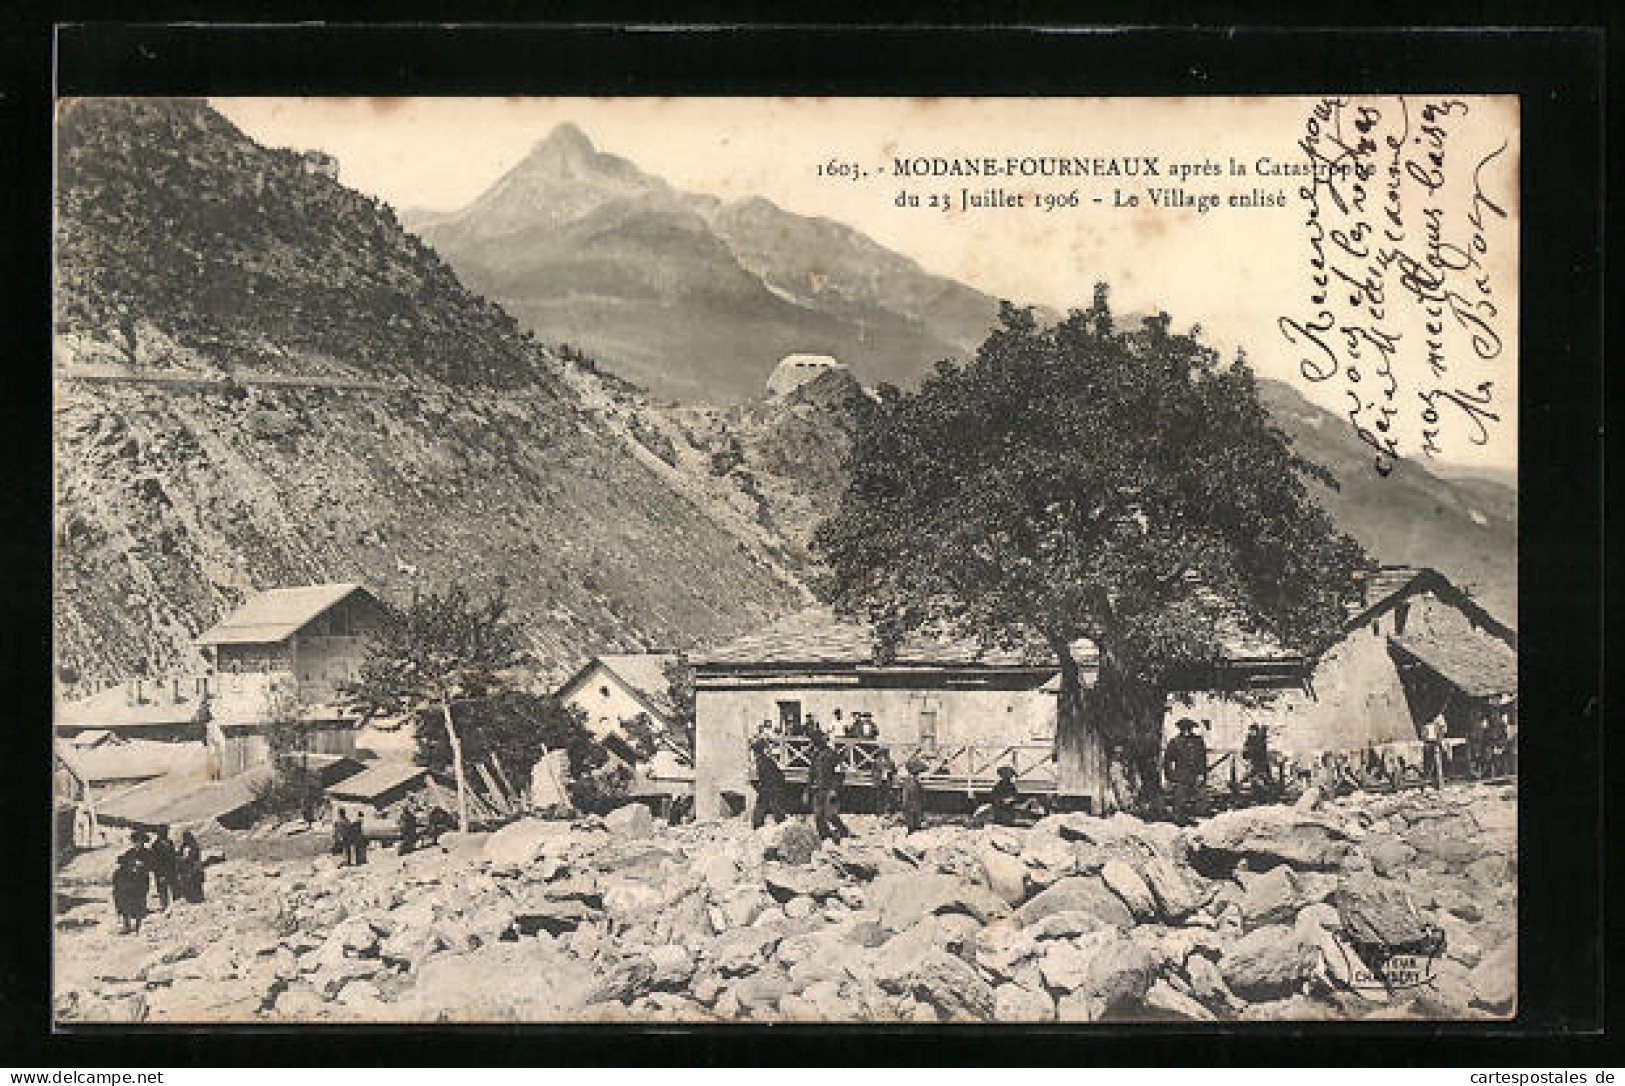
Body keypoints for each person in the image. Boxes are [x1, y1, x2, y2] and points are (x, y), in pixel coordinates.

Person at [1163, 718, 1209, 825]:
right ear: (1180, 729)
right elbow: (1167, 760)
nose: (1187, 731)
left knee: (1201, 797)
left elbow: (1202, 759)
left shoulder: (1198, 741)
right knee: (1180, 798)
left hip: (1196, 774)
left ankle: (1200, 819)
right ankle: (1179, 820)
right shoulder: (1175, 742)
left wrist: (1202, 773)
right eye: (1184, 729)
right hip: (1181, 775)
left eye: (1189, 729)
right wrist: (1170, 776)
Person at [807, 728, 850, 842]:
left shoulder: (832, 755)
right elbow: (811, 774)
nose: (815, 744)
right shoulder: (815, 756)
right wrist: (807, 790)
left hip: (828, 789)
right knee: (818, 816)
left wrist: (834, 789)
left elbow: (840, 773)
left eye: (816, 741)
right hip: (817, 790)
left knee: (830, 815)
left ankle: (843, 832)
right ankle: (825, 837)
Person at [111, 831, 152, 934]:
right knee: (125, 902)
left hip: (140, 882)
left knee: (139, 903)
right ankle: (127, 925)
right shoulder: (130, 852)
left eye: (140, 841)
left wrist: (140, 866)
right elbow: (121, 860)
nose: (138, 843)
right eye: (136, 841)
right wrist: (128, 864)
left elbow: (150, 865)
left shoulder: (147, 853)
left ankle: (138, 926)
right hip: (129, 883)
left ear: (143, 842)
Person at [750, 733, 789, 829]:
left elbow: (775, 776)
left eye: (755, 751)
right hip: (769, 789)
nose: (754, 754)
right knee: (765, 811)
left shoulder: (763, 761)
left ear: (756, 752)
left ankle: (783, 828)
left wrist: (761, 787)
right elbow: (779, 775)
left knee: (774, 811)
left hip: (771, 789)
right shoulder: (765, 760)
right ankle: (759, 828)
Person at [148, 825, 177, 910]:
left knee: (175, 889)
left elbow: (173, 857)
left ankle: (175, 907)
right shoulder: (155, 846)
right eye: (163, 832)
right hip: (161, 872)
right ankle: (164, 907)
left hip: (171, 871)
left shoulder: (170, 843)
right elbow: (155, 861)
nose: (165, 833)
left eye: (166, 832)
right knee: (162, 891)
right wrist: (160, 874)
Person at [1420, 712, 1448, 791]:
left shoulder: (1428, 726)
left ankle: (1433, 782)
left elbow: (1424, 736)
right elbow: (1441, 734)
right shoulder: (1436, 724)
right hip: (1434, 745)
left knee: (1431, 764)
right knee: (1435, 764)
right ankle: (1437, 783)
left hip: (1431, 744)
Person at [177, 829, 205, 903]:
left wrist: (184, 860)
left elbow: (193, 857)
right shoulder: (183, 847)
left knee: (195, 884)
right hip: (186, 869)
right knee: (189, 885)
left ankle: (197, 898)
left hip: (194, 868)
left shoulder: (194, 846)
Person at [1242, 724, 1272, 790]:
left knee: (1262, 776)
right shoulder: (1249, 739)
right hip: (1254, 762)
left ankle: (1265, 787)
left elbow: (1260, 749)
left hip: (1261, 762)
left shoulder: (1260, 739)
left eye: (1253, 731)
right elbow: (1245, 752)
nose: (1251, 732)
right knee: (1253, 776)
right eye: (1250, 730)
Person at [900, 757, 926, 833]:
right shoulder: (909, 781)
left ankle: (915, 825)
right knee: (912, 811)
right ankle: (912, 827)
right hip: (911, 798)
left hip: (914, 798)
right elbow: (906, 793)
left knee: (915, 810)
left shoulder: (912, 780)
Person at [870, 746, 897, 815]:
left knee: (888, 797)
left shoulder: (891, 762)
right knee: (879, 797)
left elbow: (895, 771)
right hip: (879, 781)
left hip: (887, 781)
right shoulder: (876, 761)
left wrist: (890, 771)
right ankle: (879, 812)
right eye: (884, 753)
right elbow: (873, 771)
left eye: (887, 753)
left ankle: (887, 812)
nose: (886, 754)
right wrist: (879, 773)